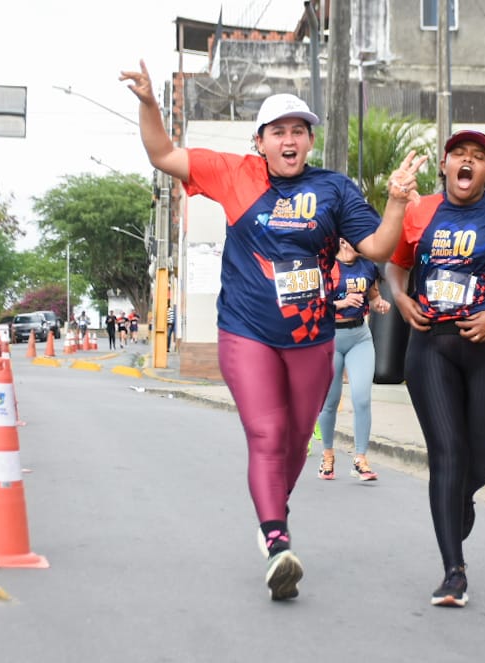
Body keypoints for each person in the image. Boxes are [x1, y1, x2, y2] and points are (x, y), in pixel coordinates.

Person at [121, 60, 426, 601]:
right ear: (259, 142)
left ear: (309, 140)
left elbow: (378, 246)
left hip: (312, 336)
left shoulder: (333, 189)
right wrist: (149, 103)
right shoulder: (233, 173)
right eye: (278, 131)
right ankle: (278, 540)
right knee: (266, 432)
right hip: (247, 331)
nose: (289, 140)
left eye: (298, 131)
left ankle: (271, 513)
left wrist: (398, 202)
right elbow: (162, 154)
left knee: (296, 440)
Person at [386, 130, 485, 608]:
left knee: (477, 465)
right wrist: (400, 298)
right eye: (459, 154)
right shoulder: (420, 212)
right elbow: (396, 262)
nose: (467, 161)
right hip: (431, 346)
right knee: (447, 454)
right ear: (444, 164)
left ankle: (463, 496)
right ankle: (453, 571)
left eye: (478, 157)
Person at [316, 238, 390, 482]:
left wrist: (379, 303)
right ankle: (328, 455)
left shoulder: (368, 266)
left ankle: (360, 458)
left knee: (362, 398)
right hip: (331, 337)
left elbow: (373, 296)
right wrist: (342, 303)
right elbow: (315, 305)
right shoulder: (326, 265)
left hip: (360, 337)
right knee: (330, 401)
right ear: (343, 241)